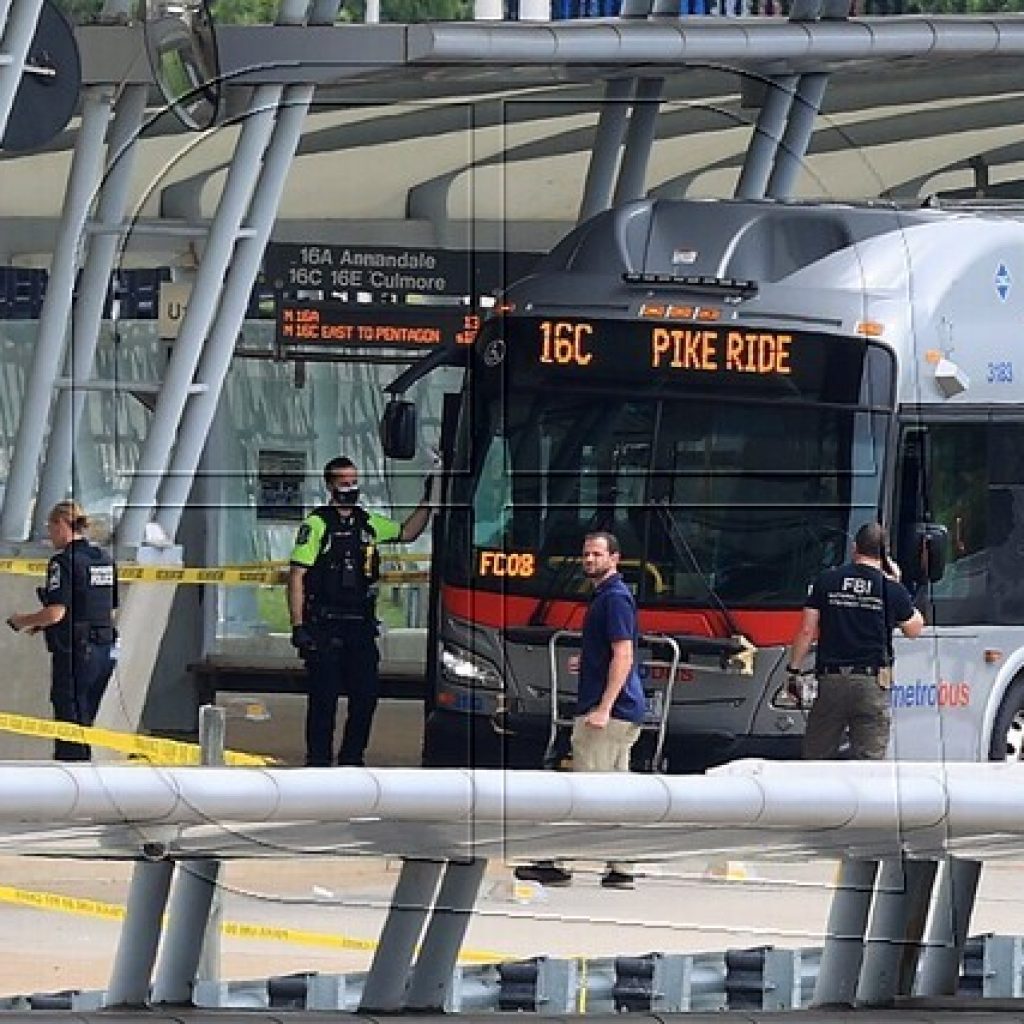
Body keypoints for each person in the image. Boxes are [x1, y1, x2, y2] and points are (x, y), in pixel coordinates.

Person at [515, 531, 646, 890]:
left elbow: (624, 653)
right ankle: (622, 867)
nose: (589, 560)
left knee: (582, 791)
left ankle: (556, 861)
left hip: (607, 713)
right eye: (586, 554)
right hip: (625, 710)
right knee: (616, 794)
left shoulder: (614, 598)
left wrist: (603, 708)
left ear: (614, 558)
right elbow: (612, 651)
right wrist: (587, 661)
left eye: (597, 554)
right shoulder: (609, 597)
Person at [288, 455, 433, 767]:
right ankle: (318, 762)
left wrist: (428, 502)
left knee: (366, 698)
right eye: (344, 483)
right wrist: (298, 626)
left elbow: (407, 533)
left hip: (360, 627)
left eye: (354, 482)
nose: (350, 488)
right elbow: (298, 575)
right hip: (324, 626)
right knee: (324, 701)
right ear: (329, 486)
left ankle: (353, 758)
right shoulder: (316, 525)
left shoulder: (367, 523)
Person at [786, 521, 925, 760]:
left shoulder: (826, 581)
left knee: (816, 758)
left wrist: (793, 671)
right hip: (872, 683)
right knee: (870, 762)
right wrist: (896, 582)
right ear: (885, 554)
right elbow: (914, 629)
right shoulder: (890, 589)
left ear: (854, 547)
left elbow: (807, 631)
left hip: (831, 681)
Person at [6, 501, 117, 761]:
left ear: (62, 525)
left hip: (76, 653)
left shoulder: (63, 562)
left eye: (50, 527)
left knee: (69, 722)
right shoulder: (104, 559)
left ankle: (71, 785)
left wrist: (22, 620)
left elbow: (57, 612)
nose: (49, 534)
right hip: (104, 650)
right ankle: (81, 778)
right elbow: (107, 610)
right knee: (85, 721)